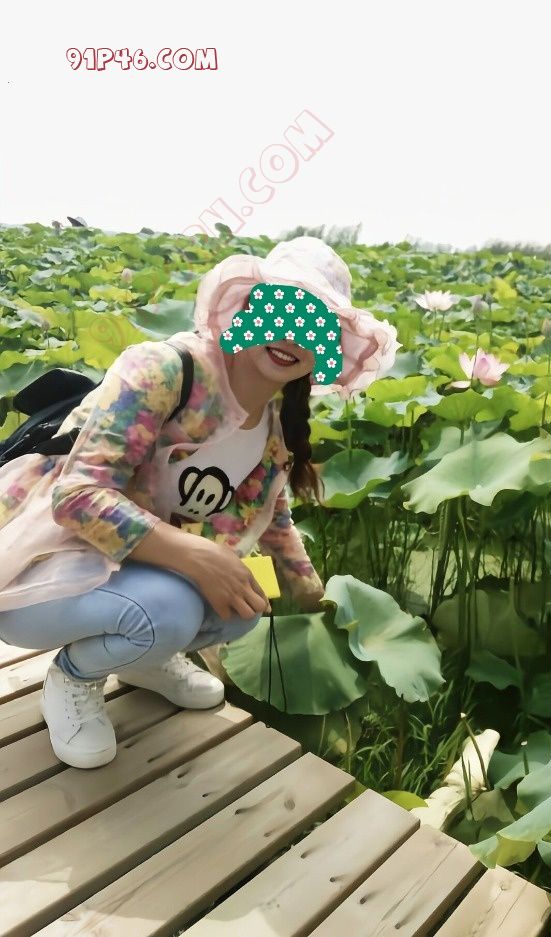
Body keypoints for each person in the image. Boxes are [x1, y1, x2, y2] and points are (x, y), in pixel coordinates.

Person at [0, 236, 400, 770]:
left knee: (246, 598)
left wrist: (313, 594)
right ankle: (74, 676)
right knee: (173, 607)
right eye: (283, 310)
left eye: (314, 325)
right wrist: (197, 556)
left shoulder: (272, 422)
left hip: (127, 568)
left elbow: (273, 518)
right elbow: (76, 498)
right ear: (248, 307)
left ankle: (144, 659)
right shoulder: (164, 370)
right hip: (40, 562)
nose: (292, 335)